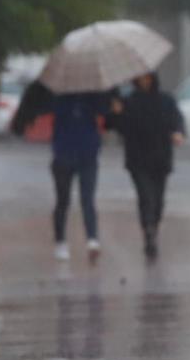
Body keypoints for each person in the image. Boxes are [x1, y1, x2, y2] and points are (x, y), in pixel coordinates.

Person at [11, 80, 114, 262]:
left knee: (87, 198)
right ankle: (61, 241)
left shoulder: (92, 95)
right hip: (64, 156)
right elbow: (42, 108)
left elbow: (106, 111)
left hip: (87, 155)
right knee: (63, 200)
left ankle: (92, 239)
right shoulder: (58, 96)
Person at [106, 72, 186, 258]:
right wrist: (116, 113)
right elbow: (116, 127)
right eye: (141, 78)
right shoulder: (128, 101)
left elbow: (176, 119)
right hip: (138, 159)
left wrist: (178, 132)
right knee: (145, 196)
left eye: (148, 77)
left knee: (158, 200)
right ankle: (148, 231)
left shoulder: (165, 100)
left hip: (160, 158)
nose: (145, 81)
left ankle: (153, 227)